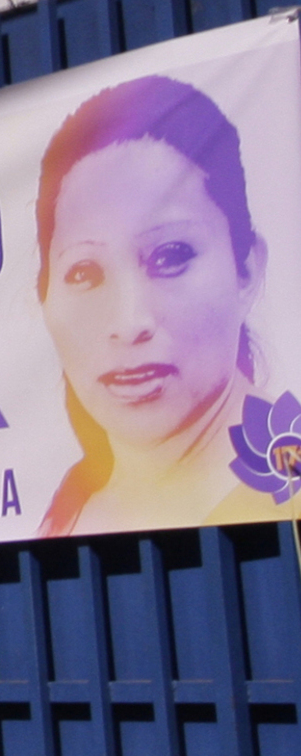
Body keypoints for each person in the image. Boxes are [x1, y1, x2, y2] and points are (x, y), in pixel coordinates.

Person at [33, 73, 292, 535]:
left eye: (171, 257)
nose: (130, 323)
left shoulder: (288, 486)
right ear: (45, 298)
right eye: (83, 273)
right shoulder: (66, 514)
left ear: (246, 269)